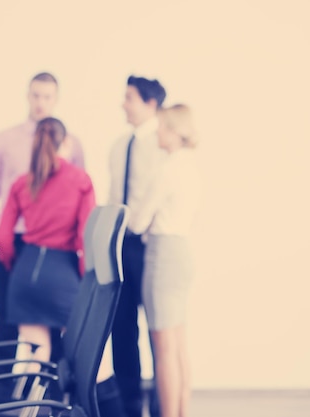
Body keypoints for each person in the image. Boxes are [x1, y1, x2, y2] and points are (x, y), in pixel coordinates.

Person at [0, 72, 85, 356]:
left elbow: (80, 198)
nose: (40, 102)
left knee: (55, 323)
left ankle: (53, 392)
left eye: (47, 96)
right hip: (11, 240)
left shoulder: (71, 144)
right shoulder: (4, 140)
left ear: (56, 99)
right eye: (36, 95)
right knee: (6, 315)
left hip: (54, 246)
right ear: (27, 95)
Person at [0, 117, 95, 372]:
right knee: (78, 356)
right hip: (63, 275)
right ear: (67, 142)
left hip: (26, 273)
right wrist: (85, 278)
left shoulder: (22, 182)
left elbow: (3, 238)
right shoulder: (81, 181)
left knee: (34, 357)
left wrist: (14, 266)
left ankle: (30, 410)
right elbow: (85, 237)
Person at [129, 104, 200, 417]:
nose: (156, 131)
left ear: (173, 131)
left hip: (162, 256)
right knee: (178, 344)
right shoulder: (191, 165)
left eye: (161, 126)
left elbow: (138, 223)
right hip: (182, 251)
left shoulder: (167, 168)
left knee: (164, 349)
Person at [108, 75, 167, 417]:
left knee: (157, 326)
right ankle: (129, 402)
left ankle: (161, 402)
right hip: (121, 246)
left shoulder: (163, 146)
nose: (123, 104)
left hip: (150, 246)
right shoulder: (119, 145)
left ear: (150, 104)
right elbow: (115, 198)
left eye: (129, 98)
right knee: (122, 324)